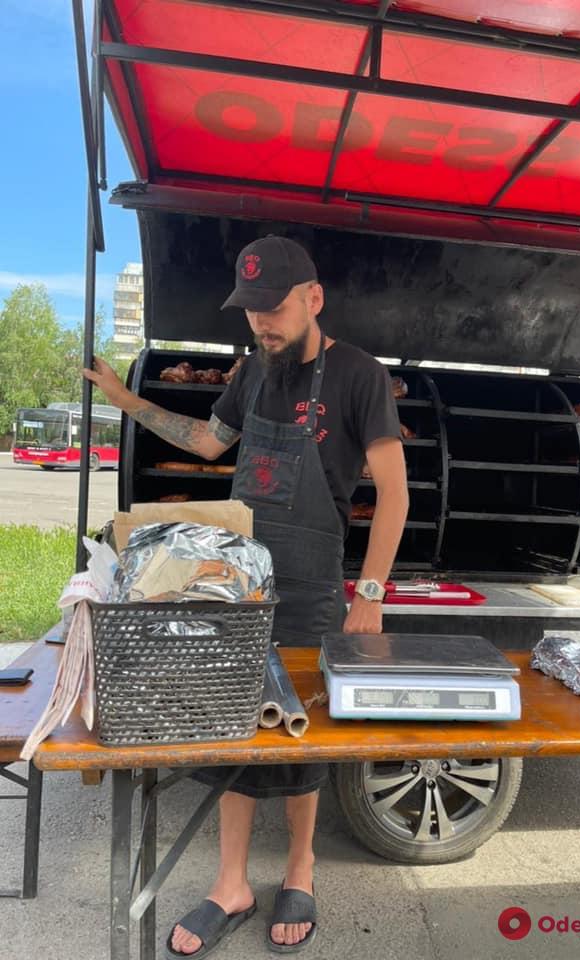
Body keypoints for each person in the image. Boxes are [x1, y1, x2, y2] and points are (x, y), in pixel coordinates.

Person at [83, 235, 409, 956]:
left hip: (314, 582)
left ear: (313, 298)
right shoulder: (252, 372)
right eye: (251, 310)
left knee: (297, 738)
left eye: (274, 308)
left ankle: (301, 868)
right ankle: (230, 882)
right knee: (233, 725)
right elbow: (206, 444)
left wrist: (373, 591)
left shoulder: (359, 376)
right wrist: (126, 399)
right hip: (235, 580)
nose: (261, 323)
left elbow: (395, 493)